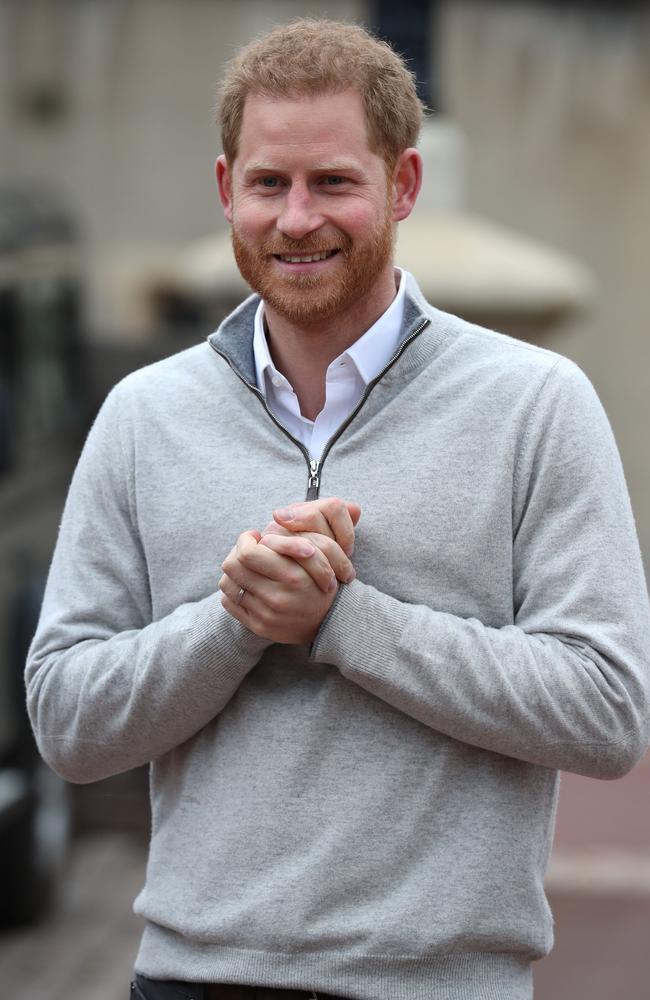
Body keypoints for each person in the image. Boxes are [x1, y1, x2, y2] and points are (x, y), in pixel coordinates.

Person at [26, 18, 650, 1000]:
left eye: (333, 183)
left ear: (400, 186)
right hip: (190, 976)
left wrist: (343, 622)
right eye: (269, 183)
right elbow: (66, 721)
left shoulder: (536, 403)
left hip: (442, 986)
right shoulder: (144, 417)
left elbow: (608, 710)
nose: (296, 217)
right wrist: (231, 623)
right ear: (226, 187)